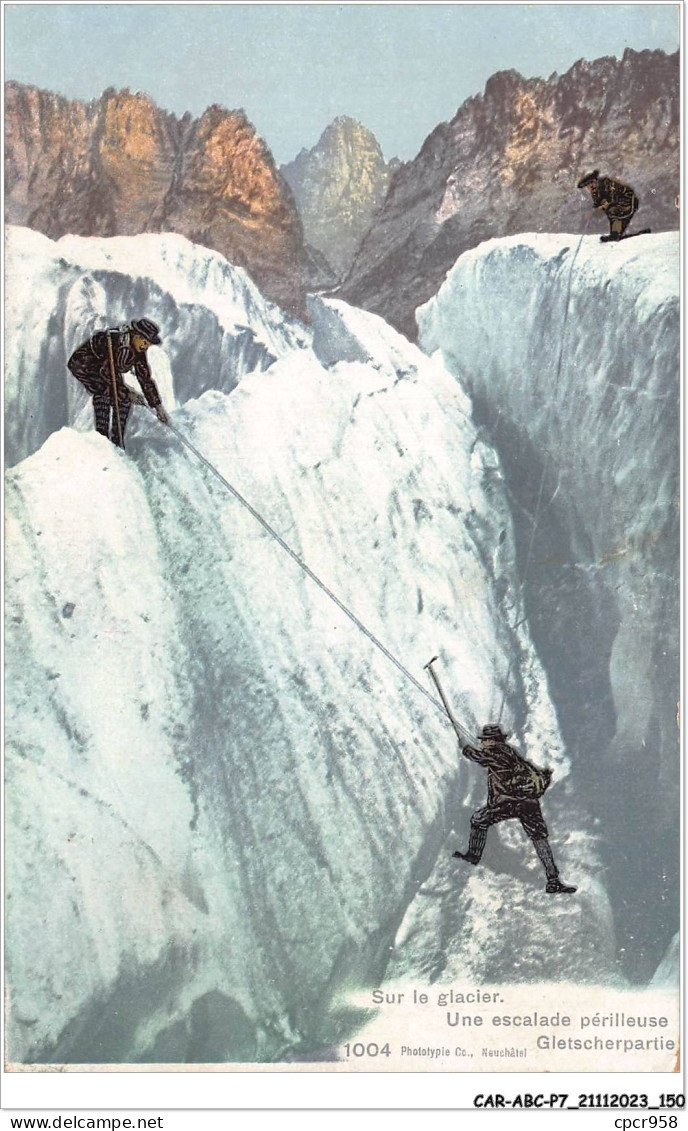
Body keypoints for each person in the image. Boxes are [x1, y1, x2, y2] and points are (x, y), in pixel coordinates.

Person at [453, 723, 576, 895]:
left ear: (490, 741)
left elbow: (479, 758)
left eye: (485, 740)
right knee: (539, 838)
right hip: (529, 802)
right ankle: (553, 879)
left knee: (478, 820)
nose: (482, 743)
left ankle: (473, 856)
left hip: (509, 802)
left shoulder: (495, 752)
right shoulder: (510, 751)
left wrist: (465, 748)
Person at [68, 318, 170, 448]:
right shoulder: (115, 342)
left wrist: (158, 406)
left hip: (108, 372)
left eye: (148, 345)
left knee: (124, 400)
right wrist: (127, 393)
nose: (145, 346)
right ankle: (102, 440)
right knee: (104, 393)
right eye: (144, 342)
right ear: (136, 336)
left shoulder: (138, 350)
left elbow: (144, 378)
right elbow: (105, 373)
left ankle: (117, 442)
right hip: (85, 365)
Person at [577, 169, 639, 242]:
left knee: (612, 211)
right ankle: (618, 234)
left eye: (590, 185)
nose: (589, 189)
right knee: (613, 213)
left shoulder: (607, 183)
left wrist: (595, 212)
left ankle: (615, 234)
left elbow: (610, 200)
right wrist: (592, 212)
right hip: (618, 203)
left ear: (594, 182)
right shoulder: (595, 192)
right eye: (587, 187)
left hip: (628, 200)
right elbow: (598, 204)